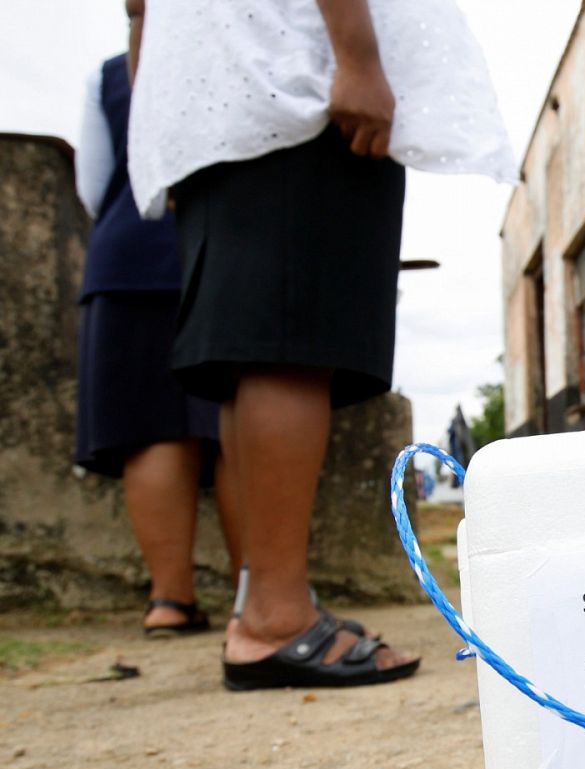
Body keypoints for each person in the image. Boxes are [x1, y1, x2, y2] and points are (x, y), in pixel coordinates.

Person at [127, 0, 516, 687]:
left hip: (214, 97)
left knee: (253, 353)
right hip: (294, 81)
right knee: (290, 344)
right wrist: (358, 58)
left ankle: (267, 601)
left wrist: (157, 120)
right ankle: (275, 617)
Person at [74, 20, 240, 638]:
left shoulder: (111, 74)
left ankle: (169, 599)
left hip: (130, 255)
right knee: (233, 426)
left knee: (152, 431)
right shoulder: (235, 50)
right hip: (220, 247)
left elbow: (93, 185)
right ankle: (257, 588)